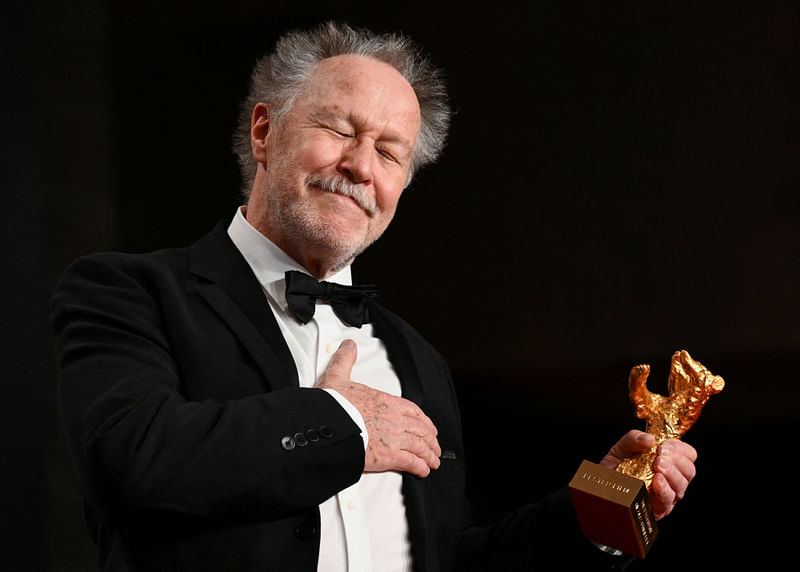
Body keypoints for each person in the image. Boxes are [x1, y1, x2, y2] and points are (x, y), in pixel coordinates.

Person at [51, 21, 698, 571]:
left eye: (390, 152)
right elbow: (131, 460)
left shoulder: (416, 359)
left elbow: (447, 557)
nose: (362, 166)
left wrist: (603, 503)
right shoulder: (130, 292)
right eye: (339, 129)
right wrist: (340, 424)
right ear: (263, 132)